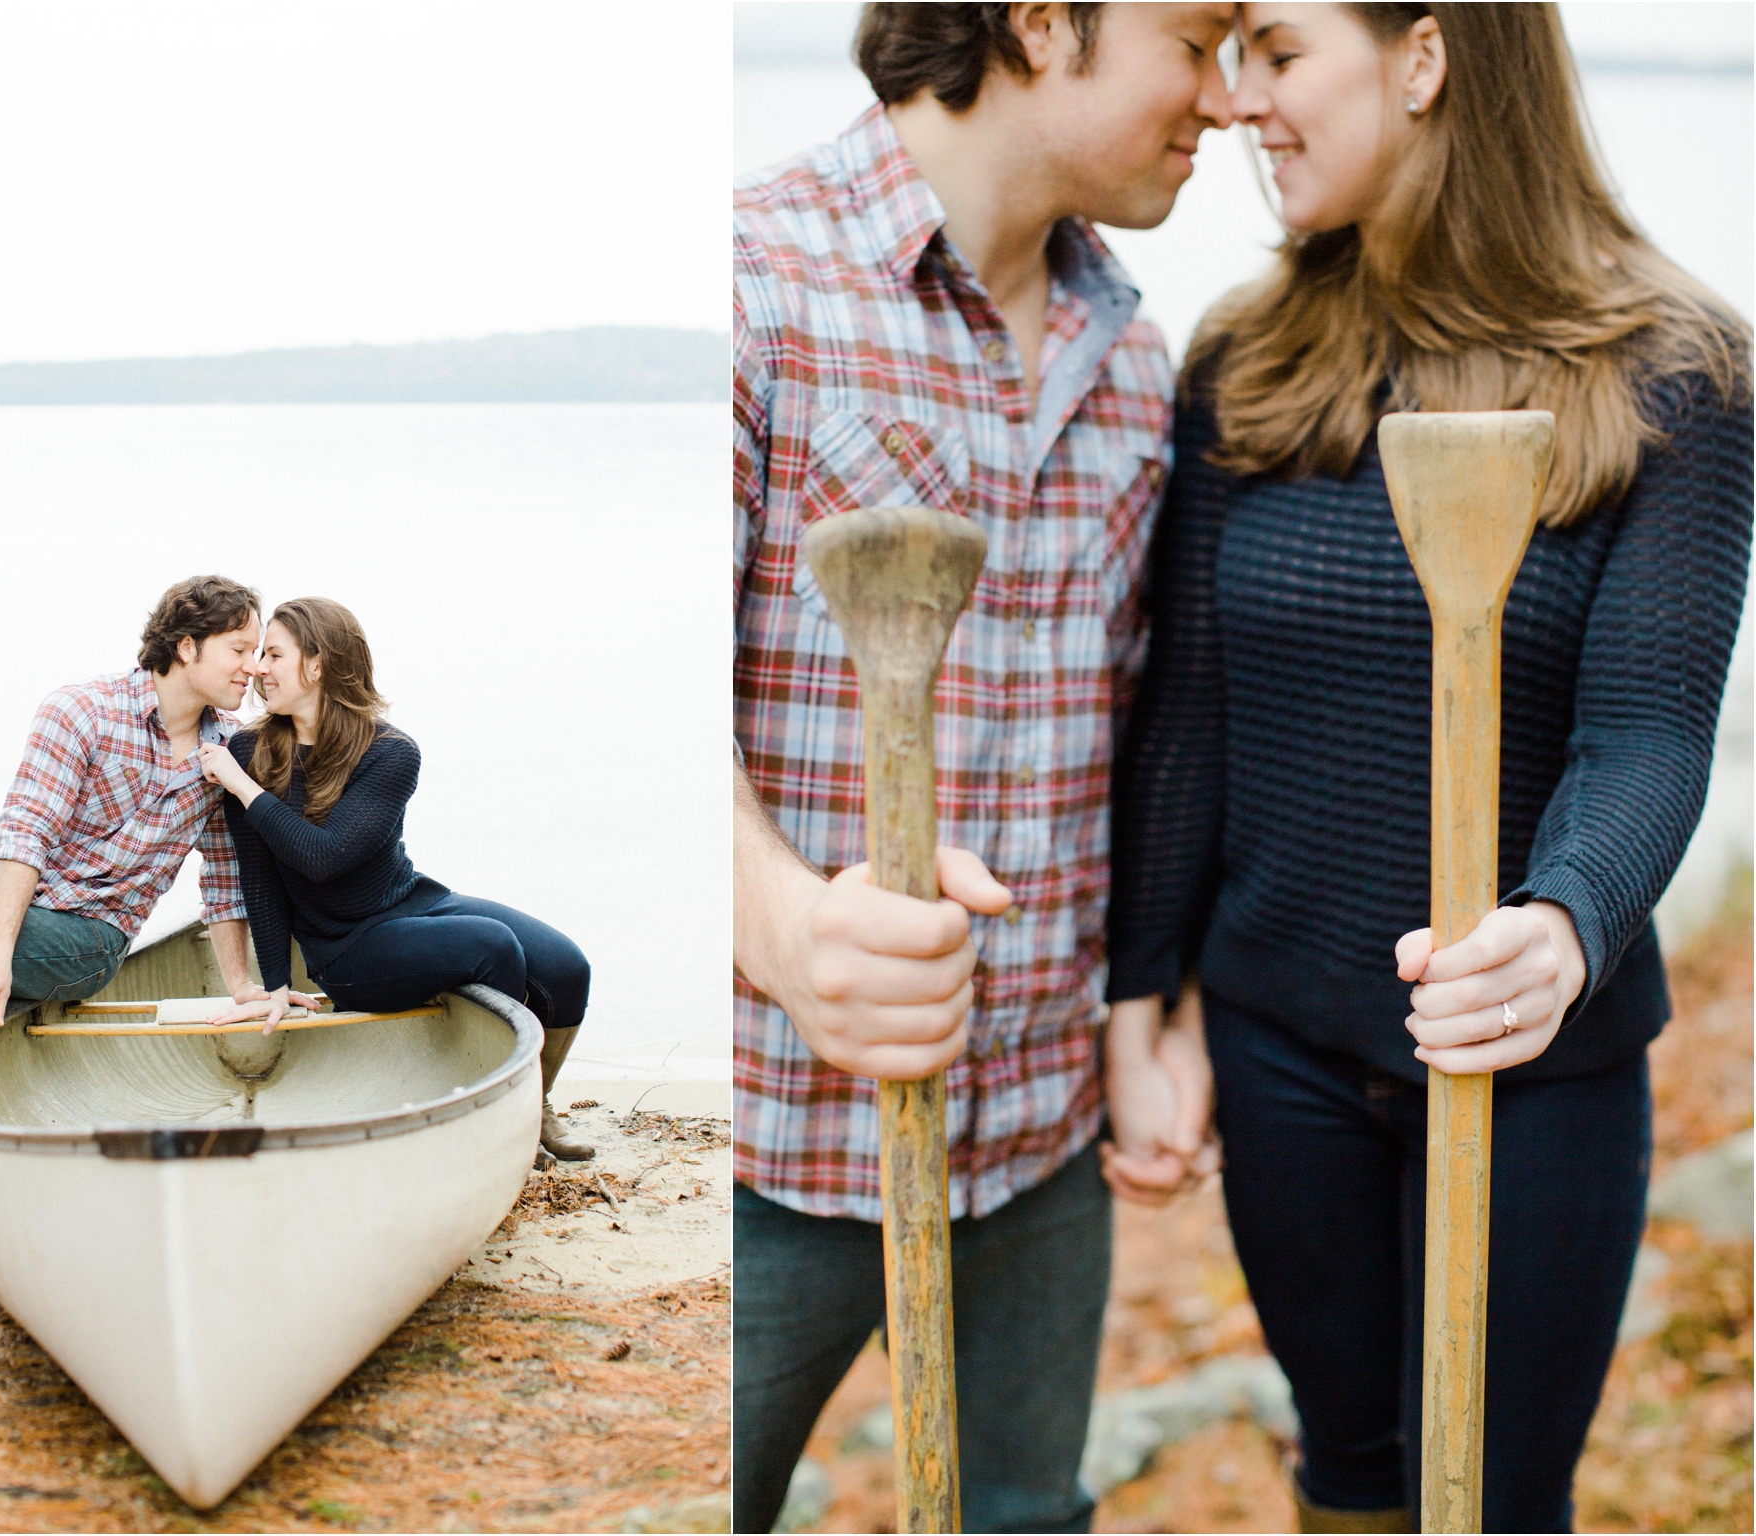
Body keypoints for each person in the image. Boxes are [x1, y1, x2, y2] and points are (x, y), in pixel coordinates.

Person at [1107, 5, 1752, 1531]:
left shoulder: (1671, 372)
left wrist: (1567, 921)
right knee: (1354, 1473)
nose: (1240, 98)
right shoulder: (1250, 359)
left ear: (1423, 55)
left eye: (1277, 49)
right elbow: (1189, 710)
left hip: (1533, 1061)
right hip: (1276, 1042)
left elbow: (1649, 731)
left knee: (1495, 1497)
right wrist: (1147, 1005)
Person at [732, 5, 1234, 1530]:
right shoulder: (757, 285)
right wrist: (788, 930)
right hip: (772, 1151)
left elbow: (1144, 742)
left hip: (1038, 1149)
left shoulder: (1133, 356)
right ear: (1038, 22)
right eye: (1198, 39)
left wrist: (1156, 1013)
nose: (1220, 96)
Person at [0, 575, 310, 1137]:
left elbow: (225, 880)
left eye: (256, 653)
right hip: (15, 889)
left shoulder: (229, 751)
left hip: (95, 929)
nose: (252, 668)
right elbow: (25, 832)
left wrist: (240, 985)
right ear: (187, 647)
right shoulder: (81, 711)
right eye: (239, 650)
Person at [195, 597, 596, 1164]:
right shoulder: (251, 751)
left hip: (410, 901)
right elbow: (260, 877)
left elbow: (327, 855)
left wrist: (243, 787)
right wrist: (278, 984)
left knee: (566, 966)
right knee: (492, 945)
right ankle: (504, 1124)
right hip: (345, 947)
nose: (259, 667)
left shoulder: (389, 752)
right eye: (259, 654)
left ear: (317, 664)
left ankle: (535, 1104)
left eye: (273, 653)